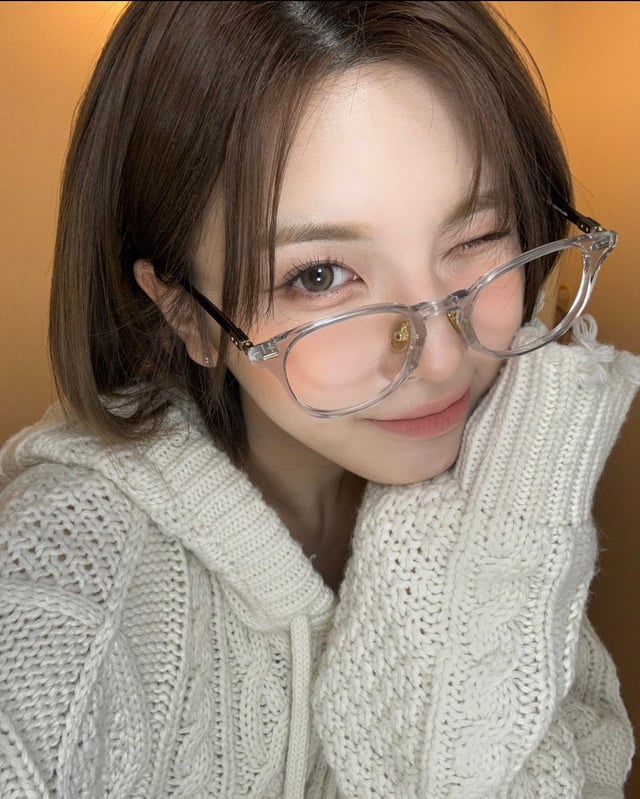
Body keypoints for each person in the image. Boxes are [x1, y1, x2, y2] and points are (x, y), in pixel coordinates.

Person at [0, 1, 638, 796]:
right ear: (186, 314)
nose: (442, 356)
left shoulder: (508, 470)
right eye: (320, 275)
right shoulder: (61, 584)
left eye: (476, 236)